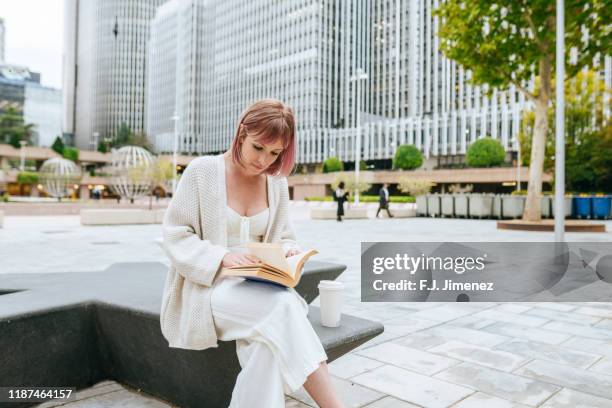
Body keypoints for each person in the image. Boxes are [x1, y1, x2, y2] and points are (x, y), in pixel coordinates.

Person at [160, 99, 345, 408]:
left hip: (259, 287)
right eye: (259, 147)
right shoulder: (203, 171)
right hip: (208, 288)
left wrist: (290, 251)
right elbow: (175, 235)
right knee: (284, 308)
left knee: (267, 346)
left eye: (275, 153)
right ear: (241, 132)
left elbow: (283, 236)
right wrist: (220, 258)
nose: (264, 161)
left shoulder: (276, 182)